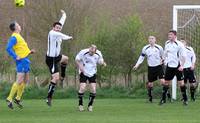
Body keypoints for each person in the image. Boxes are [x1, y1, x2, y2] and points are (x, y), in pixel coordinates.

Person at [46, 9, 73, 106]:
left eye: (59, 28)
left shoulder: (58, 29)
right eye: (56, 27)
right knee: (55, 78)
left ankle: (63, 75)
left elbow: (62, 22)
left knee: (66, 58)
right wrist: (69, 37)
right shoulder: (52, 33)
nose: (58, 28)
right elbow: (61, 35)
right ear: (53, 28)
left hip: (57, 57)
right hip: (51, 59)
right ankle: (49, 97)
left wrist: (64, 14)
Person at [6, 21, 35, 109]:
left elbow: (21, 48)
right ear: (15, 28)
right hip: (21, 61)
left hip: (25, 60)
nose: (20, 25)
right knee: (19, 80)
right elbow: (8, 48)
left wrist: (29, 52)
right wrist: (15, 56)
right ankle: (9, 98)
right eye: (18, 25)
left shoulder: (18, 36)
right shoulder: (14, 37)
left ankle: (18, 98)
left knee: (25, 80)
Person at [133, 36, 165, 103]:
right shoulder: (145, 48)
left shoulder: (159, 48)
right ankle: (150, 97)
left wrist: (163, 61)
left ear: (155, 40)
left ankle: (166, 96)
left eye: (152, 39)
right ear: (148, 40)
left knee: (163, 81)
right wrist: (137, 65)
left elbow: (163, 56)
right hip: (150, 67)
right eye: (149, 39)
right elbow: (141, 57)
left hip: (159, 67)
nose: (151, 40)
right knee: (150, 84)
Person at [160, 30, 188, 105]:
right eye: (169, 35)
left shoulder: (179, 44)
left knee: (181, 83)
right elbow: (165, 53)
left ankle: (185, 100)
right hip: (169, 66)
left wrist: (182, 65)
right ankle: (163, 99)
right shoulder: (167, 43)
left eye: (171, 35)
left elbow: (184, 56)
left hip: (178, 66)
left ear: (175, 36)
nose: (169, 36)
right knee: (166, 82)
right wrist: (162, 59)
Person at [75, 44, 106, 112]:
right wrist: (80, 66)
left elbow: (100, 61)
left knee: (93, 89)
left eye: (93, 52)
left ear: (95, 51)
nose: (91, 53)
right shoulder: (83, 52)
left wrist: (103, 63)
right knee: (82, 88)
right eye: (90, 51)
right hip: (84, 71)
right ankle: (80, 105)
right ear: (89, 49)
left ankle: (90, 106)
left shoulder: (98, 53)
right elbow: (77, 59)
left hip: (92, 72)